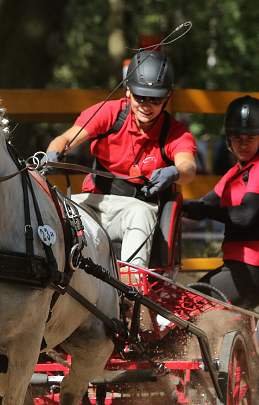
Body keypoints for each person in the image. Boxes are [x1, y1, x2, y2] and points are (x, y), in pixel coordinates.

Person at [45, 50, 196, 267]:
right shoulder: (109, 113)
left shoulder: (175, 132)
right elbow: (66, 138)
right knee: (56, 207)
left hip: (135, 210)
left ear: (168, 97)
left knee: (140, 212)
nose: (146, 105)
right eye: (140, 97)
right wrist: (54, 153)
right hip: (94, 203)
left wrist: (175, 172)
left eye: (155, 99)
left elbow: (188, 166)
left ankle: (130, 289)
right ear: (128, 91)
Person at [182, 96, 259, 310]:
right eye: (237, 138)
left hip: (251, 272)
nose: (243, 144)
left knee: (185, 304)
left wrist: (201, 209)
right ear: (229, 139)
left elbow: (244, 216)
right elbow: (201, 207)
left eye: (250, 138)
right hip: (236, 269)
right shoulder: (233, 174)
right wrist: (170, 202)